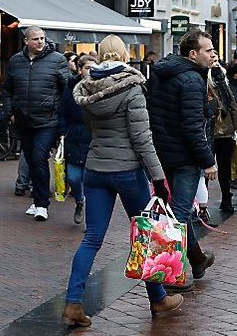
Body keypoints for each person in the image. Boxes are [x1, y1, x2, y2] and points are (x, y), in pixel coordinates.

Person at [61, 36, 181, 327]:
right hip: (127, 171)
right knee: (148, 236)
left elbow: (92, 129)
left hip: (96, 169)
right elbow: (142, 139)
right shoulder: (132, 88)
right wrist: (159, 177)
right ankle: (158, 299)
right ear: (125, 55)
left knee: (91, 239)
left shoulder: (86, 88)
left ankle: (73, 303)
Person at [147, 30, 218, 290]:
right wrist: (208, 160)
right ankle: (172, 274)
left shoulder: (163, 73)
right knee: (179, 214)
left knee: (177, 209)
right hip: (185, 156)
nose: (214, 55)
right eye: (208, 50)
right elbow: (192, 126)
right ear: (192, 54)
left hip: (164, 151)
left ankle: (197, 259)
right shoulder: (191, 80)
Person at [1, 26, 69, 221]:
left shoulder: (57, 60)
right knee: (31, 159)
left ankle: (42, 204)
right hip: (23, 120)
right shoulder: (15, 61)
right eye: (36, 39)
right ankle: (37, 199)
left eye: (42, 38)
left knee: (39, 157)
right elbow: (7, 89)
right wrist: (10, 112)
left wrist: (61, 118)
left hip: (48, 121)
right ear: (26, 41)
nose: (40, 42)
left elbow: (66, 91)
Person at [58, 54, 95, 226]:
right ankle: (79, 200)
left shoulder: (100, 86)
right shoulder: (70, 87)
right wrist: (62, 132)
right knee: (73, 177)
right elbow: (63, 110)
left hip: (93, 138)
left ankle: (91, 215)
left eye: (94, 67)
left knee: (90, 179)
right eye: (87, 67)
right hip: (74, 137)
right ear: (79, 70)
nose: (90, 71)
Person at [209, 63, 237, 213]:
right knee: (224, 167)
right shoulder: (225, 88)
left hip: (209, 132)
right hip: (226, 132)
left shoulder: (207, 87)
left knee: (206, 167)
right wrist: (235, 127)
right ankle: (226, 200)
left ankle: (202, 205)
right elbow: (233, 107)